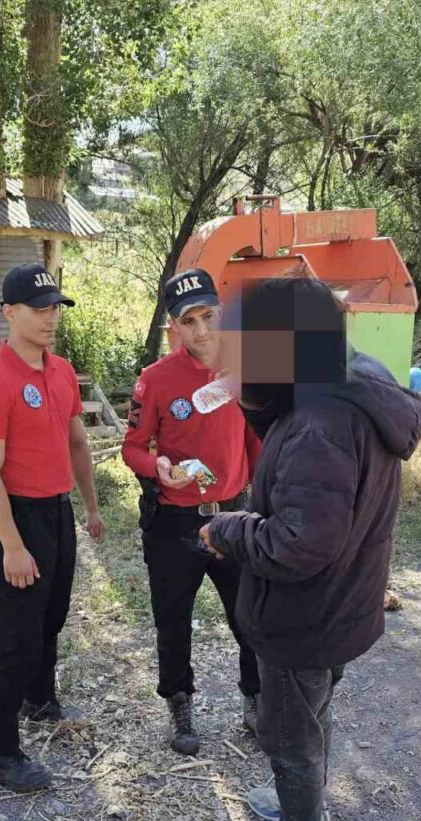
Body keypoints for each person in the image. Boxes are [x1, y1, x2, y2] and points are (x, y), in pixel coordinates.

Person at [200, 276, 421, 821]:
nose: (232, 356)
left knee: (290, 735)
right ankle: (307, 809)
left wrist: (229, 528)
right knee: (311, 715)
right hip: (343, 603)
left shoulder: (318, 426)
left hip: (304, 614)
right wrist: (251, 395)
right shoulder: (353, 380)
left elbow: (299, 543)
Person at [0, 263, 105, 792]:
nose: (49, 319)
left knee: (52, 615)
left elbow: (77, 444)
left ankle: (39, 697)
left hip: (57, 511)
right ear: (9, 312)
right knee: (17, 638)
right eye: (38, 310)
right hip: (15, 516)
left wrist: (89, 506)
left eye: (54, 309)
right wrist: (13, 546)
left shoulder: (61, 370)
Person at [121, 268, 262, 755]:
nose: (202, 331)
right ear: (173, 329)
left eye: (209, 316)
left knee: (250, 616)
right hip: (175, 522)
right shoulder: (155, 380)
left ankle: (255, 701)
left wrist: (266, 496)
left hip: (235, 517)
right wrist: (158, 466)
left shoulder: (246, 367)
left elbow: (257, 442)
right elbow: (132, 447)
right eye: (189, 321)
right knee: (173, 619)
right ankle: (179, 704)